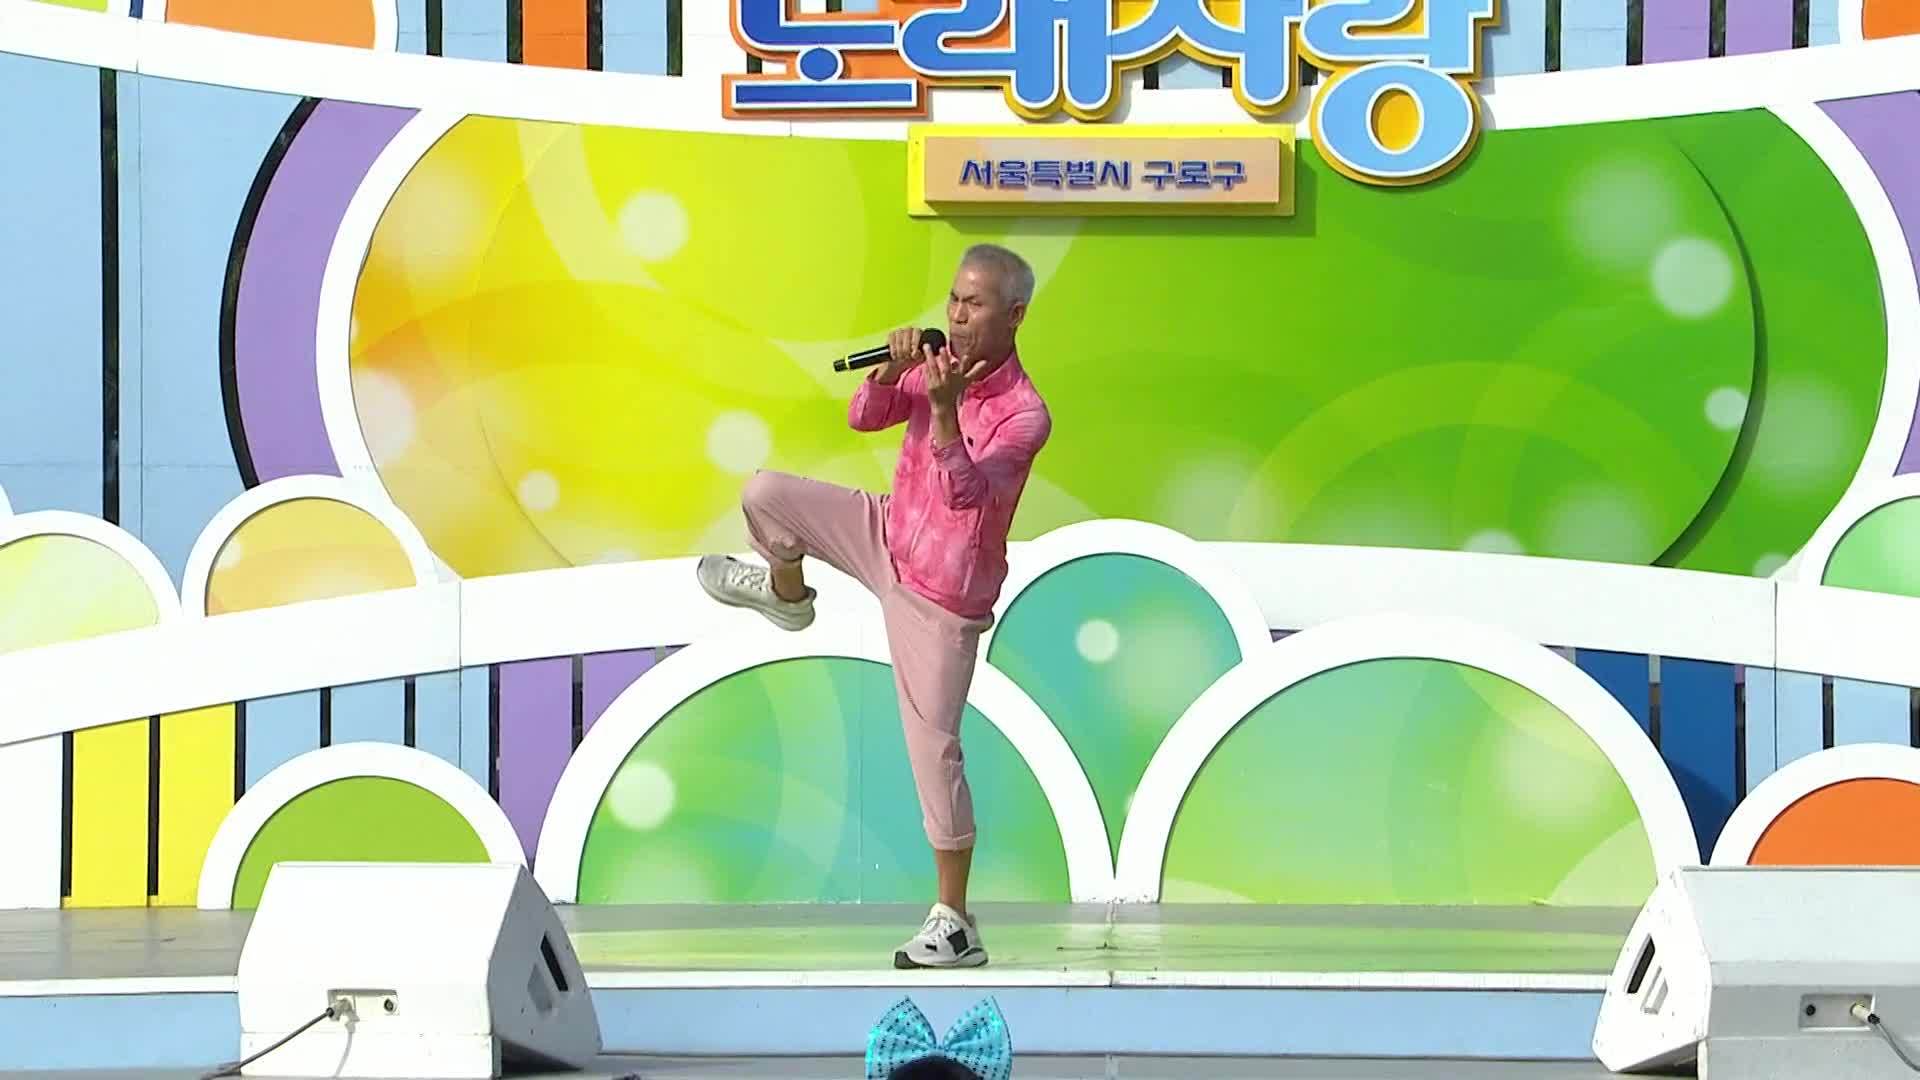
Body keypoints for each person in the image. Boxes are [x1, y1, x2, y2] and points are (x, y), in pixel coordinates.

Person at [695, 243, 1051, 969]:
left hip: (941, 593)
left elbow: (966, 497)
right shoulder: (935, 364)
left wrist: (945, 412)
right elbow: (863, 416)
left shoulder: (1024, 414)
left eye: (975, 304)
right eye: (954, 300)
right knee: (765, 493)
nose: (957, 316)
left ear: (1015, 315)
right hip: (886, 532)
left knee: (934, 750)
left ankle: (954, 923)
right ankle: (787, 596)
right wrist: (892, 372)